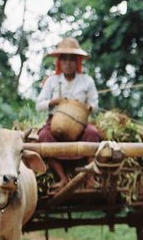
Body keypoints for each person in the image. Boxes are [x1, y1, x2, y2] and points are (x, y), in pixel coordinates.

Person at [36, 37, 101, 190]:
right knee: (43, 137)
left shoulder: (87, 81)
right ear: (59, 62)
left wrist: (88, 108)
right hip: (55, 123)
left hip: (80, 124)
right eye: (64, 60)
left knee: (93, 134)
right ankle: (62, 178)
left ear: (77, 62)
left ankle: (90, 178)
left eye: (72, 60)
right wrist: (54, 102)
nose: (68, 63)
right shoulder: (52, 81)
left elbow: (95, 104)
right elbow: (39, 105)